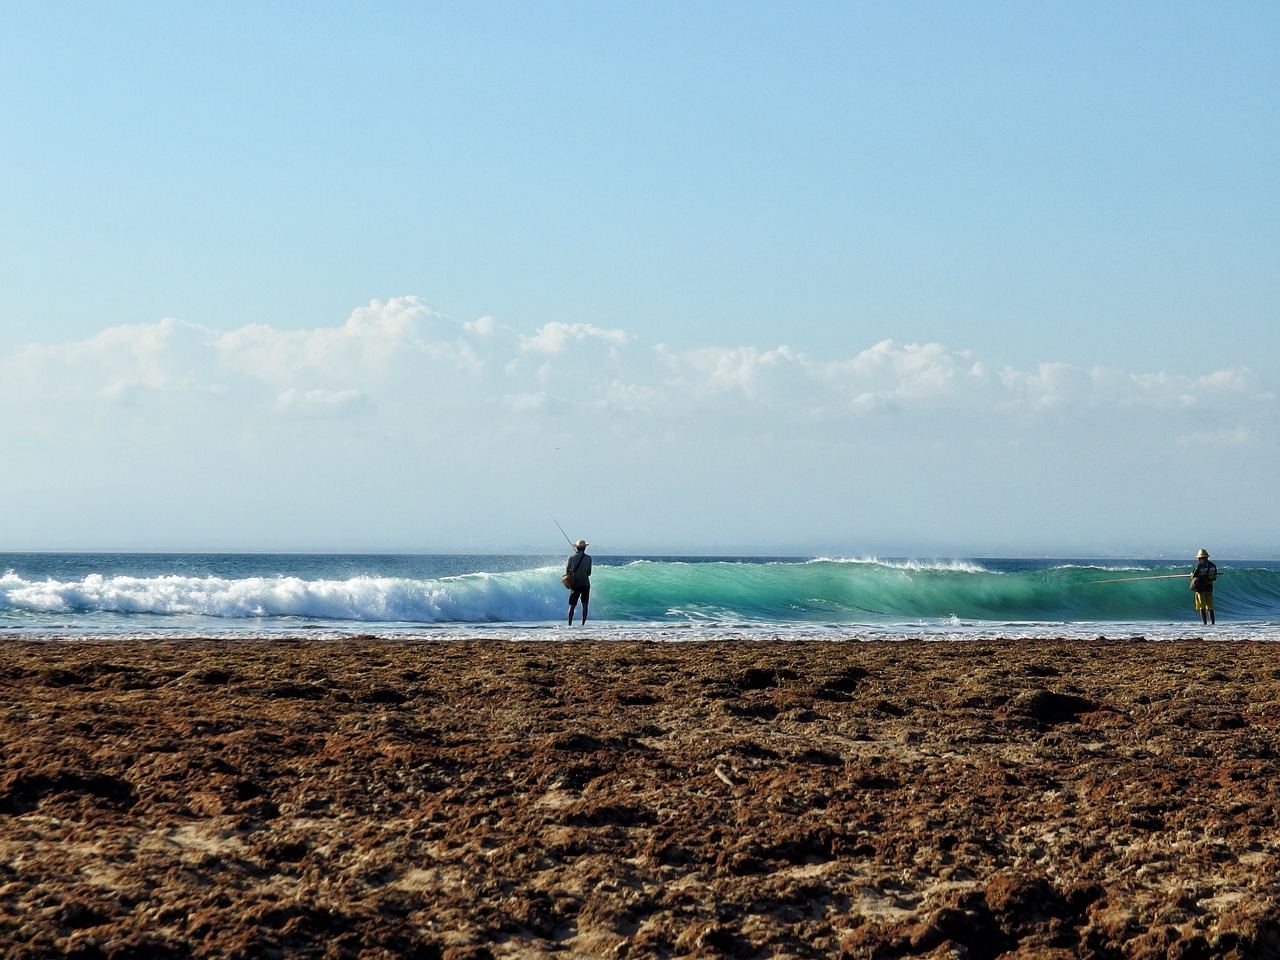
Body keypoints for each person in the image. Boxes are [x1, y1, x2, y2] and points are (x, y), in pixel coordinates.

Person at [566, 539, 592, 625]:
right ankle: (583, 624)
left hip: (574, 584)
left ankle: (569, 624)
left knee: (572, 605)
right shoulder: (588, 558)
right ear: (584, 548)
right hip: (585, 583)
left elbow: (567, 571)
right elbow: (589, 573)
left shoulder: (571, 557)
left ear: (576, 548)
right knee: (585, 605)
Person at [1190, 548, 1218, 625]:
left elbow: (1194, 575)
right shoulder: (1213, 565)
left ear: (1200, 557)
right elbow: (1214, 578)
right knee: (1210, 607)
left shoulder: (1199, 565)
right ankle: (1213, 623)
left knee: (1202, 607)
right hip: (1209, 588)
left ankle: (1205, 624)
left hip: (1200, 588)